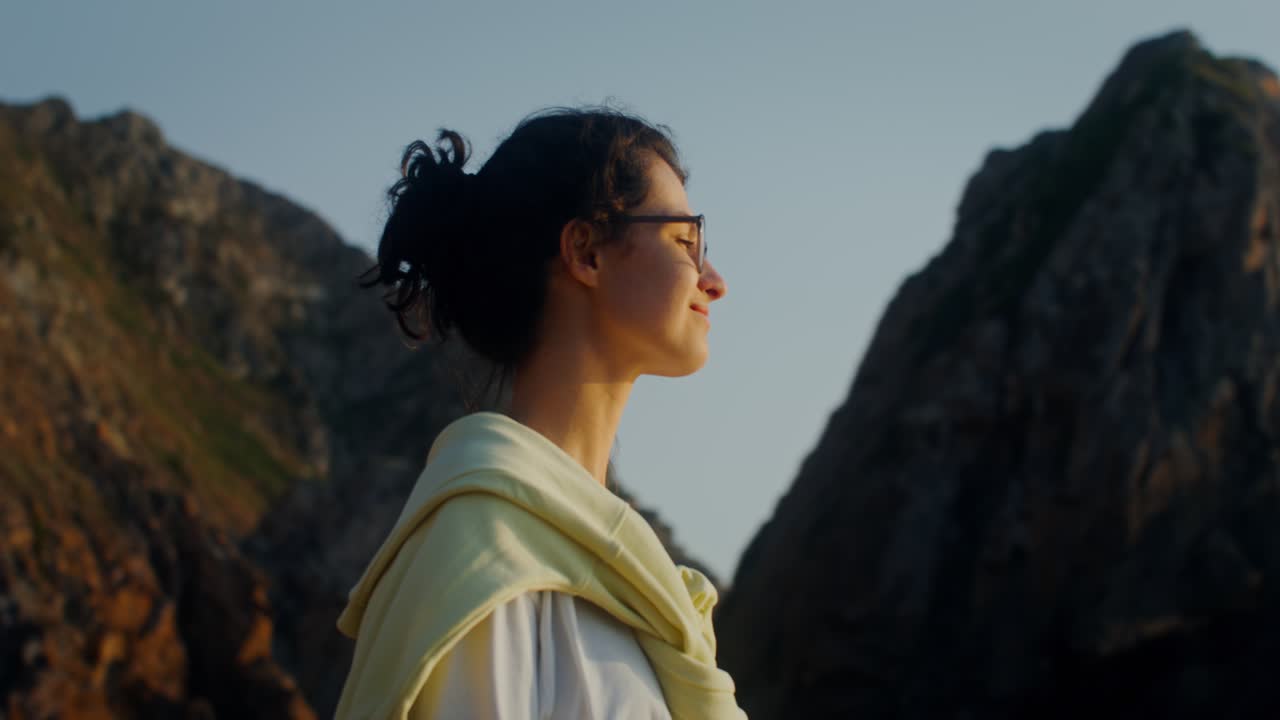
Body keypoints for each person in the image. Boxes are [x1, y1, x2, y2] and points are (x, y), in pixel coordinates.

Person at [333, 108, 745, 719]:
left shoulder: (624, 581)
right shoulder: (481, 569)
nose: (715, 280)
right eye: (686, 241)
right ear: (586, 251)